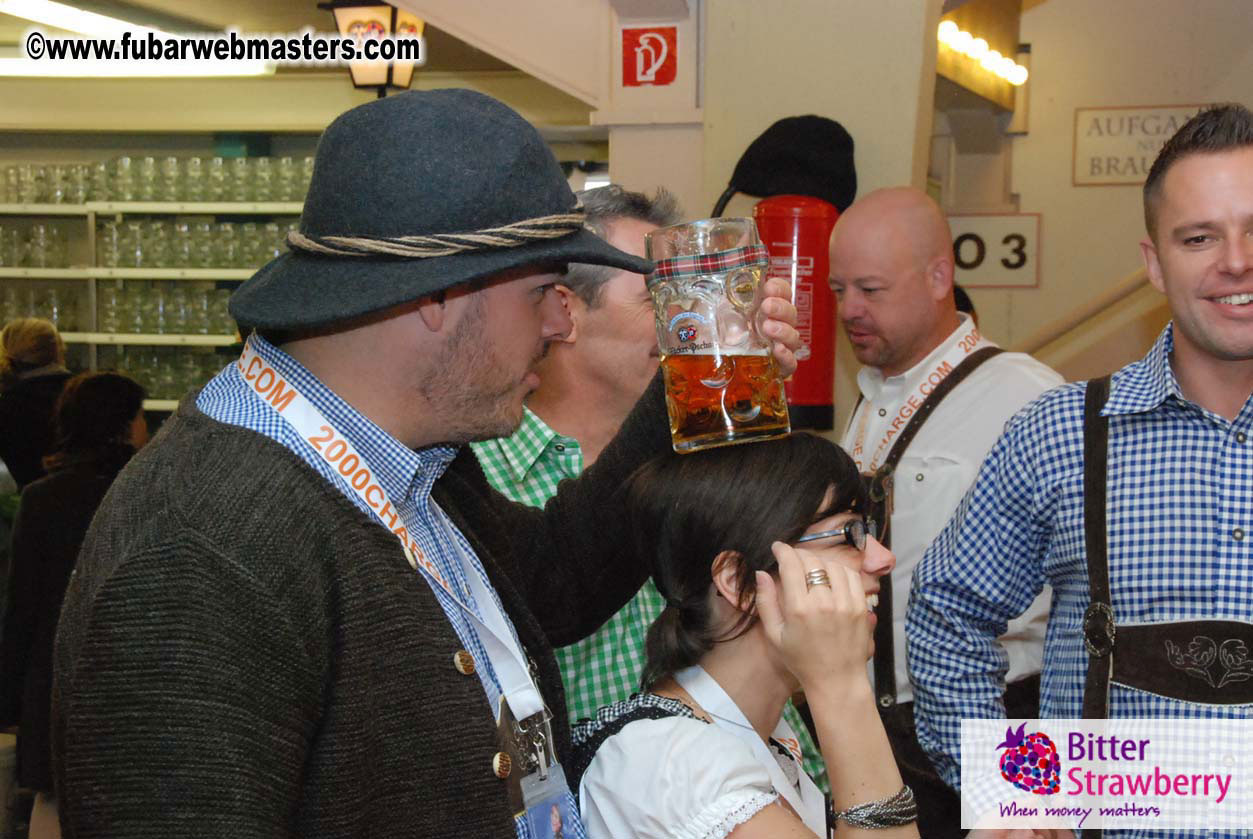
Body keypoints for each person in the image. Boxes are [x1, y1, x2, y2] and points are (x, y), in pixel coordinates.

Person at [50, 89, 800, 838]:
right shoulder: (202, 552)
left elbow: (561, 576)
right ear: (442, 294)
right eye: (542, 291)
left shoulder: (412, 455)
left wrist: (698, 372)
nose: (554, 324)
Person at [908, 103, 1253, 839]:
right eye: (1199, 237)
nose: (1235, 260)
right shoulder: (1062, 432)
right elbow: (945, 613)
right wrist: (1011, 795)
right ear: (1154, 261)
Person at [469, 183, 827, 790]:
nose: (691, 322)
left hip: (758, 795)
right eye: (659, 296)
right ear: (565, 309)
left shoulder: (713, 445)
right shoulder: (472, 476)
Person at [829, 186, 1062, 837]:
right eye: (837, 288)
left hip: (1001, 717)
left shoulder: (1027, 399)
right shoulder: (870, 399)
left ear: (938, 277)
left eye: (869, 289)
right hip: (883, 733)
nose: (849, 309)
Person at [571, 433, 917, 839]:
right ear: (737, 582)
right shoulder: (672, 761)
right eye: (848, 535)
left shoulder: (761, 732)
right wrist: (839, 683)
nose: (882, 558)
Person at [0, 372, 148, 839]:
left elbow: (22, 607)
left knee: (53, 803)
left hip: (55, 679)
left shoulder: (42, 498)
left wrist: (9, 696)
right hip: (132, 678)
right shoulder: (145, 492)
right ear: (122, 426)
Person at [0, 318, 72, 490]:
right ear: (59, 351)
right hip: (87, 502)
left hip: (25, 504)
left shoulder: (8, 405)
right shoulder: (84, 394)